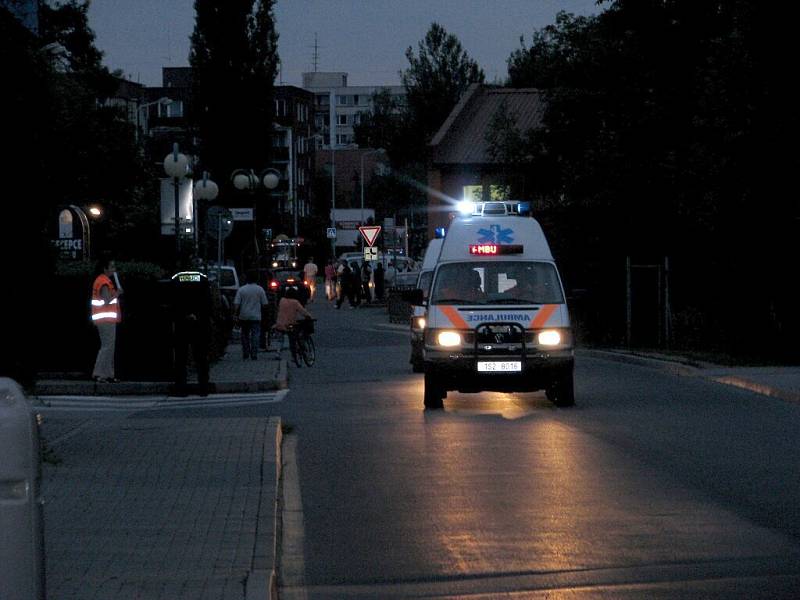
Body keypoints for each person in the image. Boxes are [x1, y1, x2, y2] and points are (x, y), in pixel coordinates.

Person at [171, 270, 212, 396]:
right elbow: (208, 302)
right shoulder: (202, 279)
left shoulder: (176, 278)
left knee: (180, 357)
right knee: (201, 357)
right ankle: (203, 388)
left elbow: (173, 302)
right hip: (200, 324)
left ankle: (180, 388)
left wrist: (182, 315)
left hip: (181, 323)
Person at [90, 257, 122, 382]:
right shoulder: (104, 281)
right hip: (105, 319)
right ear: (105, 269)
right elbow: (107, 300)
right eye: (112, 267)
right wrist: (118, 293)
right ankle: (100, 374)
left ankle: (108, 374)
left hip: (104, 318)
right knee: (107, 347)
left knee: (108, 346)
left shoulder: (102, 280)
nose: (114, 270)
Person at [233, 269, 268, 360]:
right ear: (256, 279)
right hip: (256, 316)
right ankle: (254, 353)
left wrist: (235, 314)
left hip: (244, 315)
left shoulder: (241, 289)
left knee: (244, 334)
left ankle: (246, 352)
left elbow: (236, 304)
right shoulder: (260, 289)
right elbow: (265, 303)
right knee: (255, 334)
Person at [273, 287, 312, 363]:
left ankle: (277, 353)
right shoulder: (295, 302)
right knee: (292, 340)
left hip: (280, 324)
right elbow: (303, 311)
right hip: (290, 325)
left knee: (280, 340)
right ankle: (293, 356)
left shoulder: (282, 300)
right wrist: (309, 316)